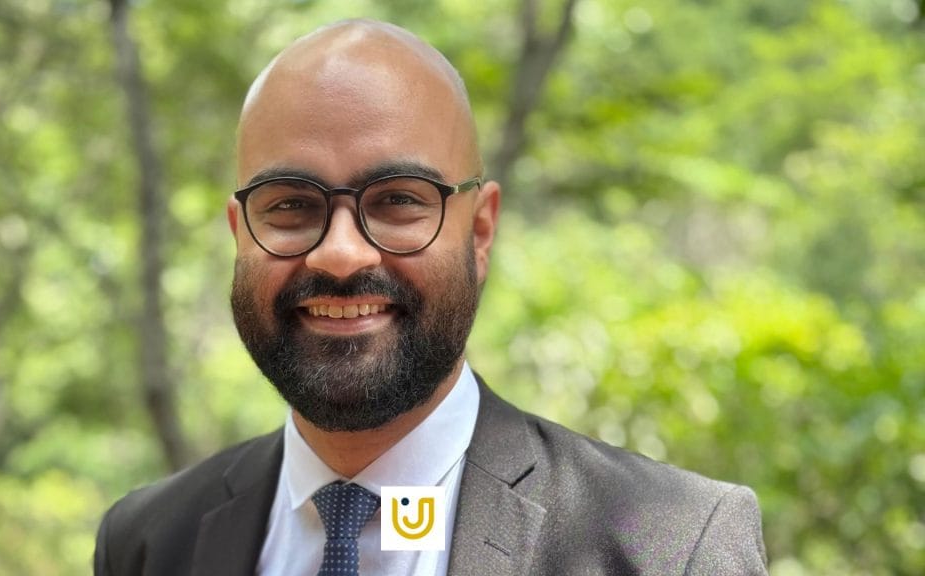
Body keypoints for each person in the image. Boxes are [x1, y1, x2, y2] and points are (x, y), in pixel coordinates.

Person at [94, 19, 768, 576]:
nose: (340, 253)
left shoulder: (671, 545)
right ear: (240, 234)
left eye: (397, 201)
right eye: (291, 205)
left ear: (480, 231)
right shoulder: (146, 542)